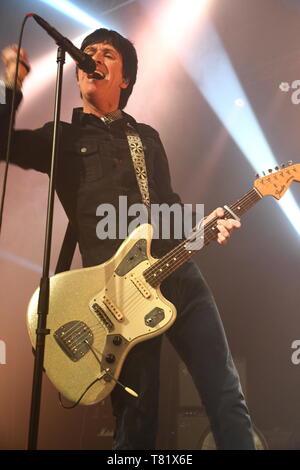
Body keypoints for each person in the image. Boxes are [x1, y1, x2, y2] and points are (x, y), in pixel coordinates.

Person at [0, 28, 255, 450]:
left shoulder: (146, 138)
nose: (93, 57)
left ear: (125, 79)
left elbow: (167, 208)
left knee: (226, 393)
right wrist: (11, 85)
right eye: (88, 52)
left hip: (175, 272)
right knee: (138, 422)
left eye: (107, 53)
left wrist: (205, 224)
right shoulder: (63, 139)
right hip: (115, 297)